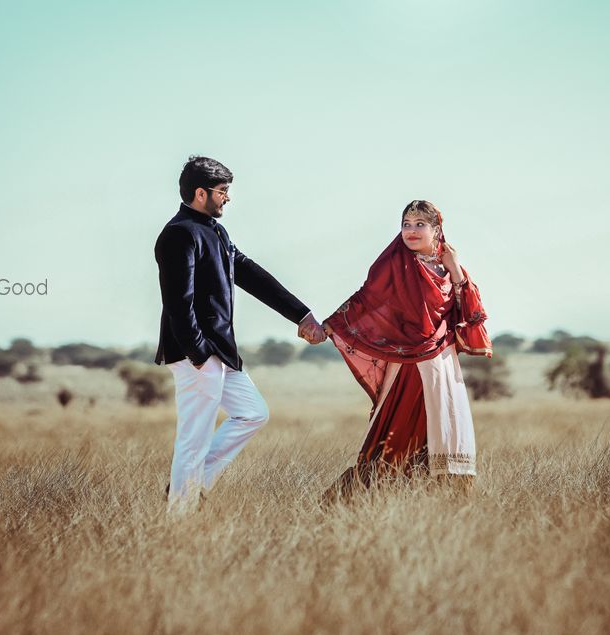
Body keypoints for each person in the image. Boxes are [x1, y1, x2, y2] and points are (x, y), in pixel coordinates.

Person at [154, 156, 326, 515]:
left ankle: (191, 484)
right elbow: (178, 304)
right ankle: (178, 521)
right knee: (194, 439)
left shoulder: (215, 230)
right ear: (201, 193)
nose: (227, 198)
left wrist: (301, 314)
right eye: (222, 191)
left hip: (221, 353)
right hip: (195, 355)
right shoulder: (178, 234)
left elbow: (247, 272)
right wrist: (200, 356)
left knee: (252, 413)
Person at [322, 200, 492, 500]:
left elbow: (468, 313)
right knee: (396, 434)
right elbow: (367, 299)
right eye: (406, 224)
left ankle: (438, 502)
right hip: (406, 363)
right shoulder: (393, 264)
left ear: (436, 230)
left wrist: (455, 270)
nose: (411, 231)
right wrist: (333, 324)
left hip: (442, 363)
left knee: (442, 430)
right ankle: (357, 499)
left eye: (419, 224)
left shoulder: (448, 267)